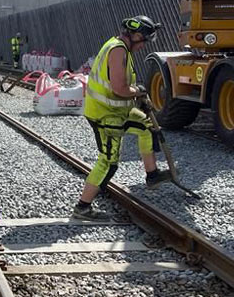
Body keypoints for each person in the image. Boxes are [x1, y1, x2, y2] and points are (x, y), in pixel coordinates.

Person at [72, 16, 172, 222]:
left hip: (118, 111)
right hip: (104, 114)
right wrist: (138, 92)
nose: (144, 45)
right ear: (135, 36)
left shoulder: (121, 47)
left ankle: (152, 175)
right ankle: (83, 207)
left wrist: (138, 96)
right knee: (108, 162)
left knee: (147, 125)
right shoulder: (118, 51)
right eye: (144, 40)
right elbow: (120, 89)